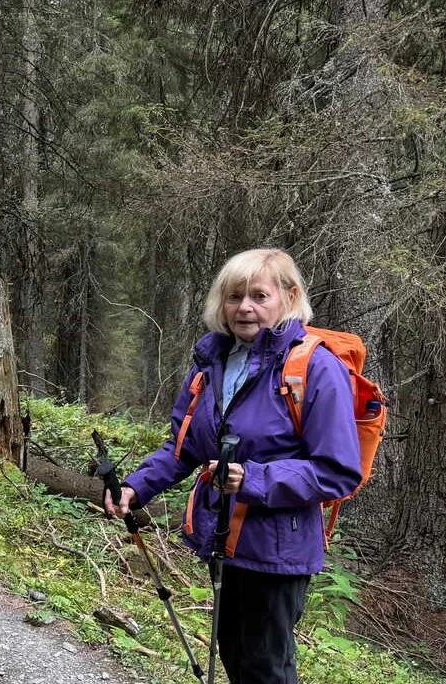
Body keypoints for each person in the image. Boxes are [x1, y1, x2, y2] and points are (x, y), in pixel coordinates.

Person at [105, 248, 361, 684]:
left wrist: (255, 478)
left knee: (266, 668)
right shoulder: (212, 364)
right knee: (235, 655)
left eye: (259, 296)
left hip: (277, 547)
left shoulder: (314, 368)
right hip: (223, 537)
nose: (245, 307)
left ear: (289, 297)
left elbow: (337, 470)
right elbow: (184, 448)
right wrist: (135, 487)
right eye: (234, 296)